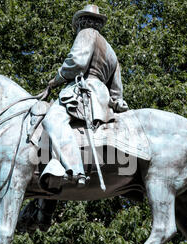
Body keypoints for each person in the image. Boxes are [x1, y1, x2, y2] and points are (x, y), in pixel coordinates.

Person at [42, 4, 128, 186]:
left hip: (84, 92)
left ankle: (74, 169)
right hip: (102, 98)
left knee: (53, 119)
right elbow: (116, 89)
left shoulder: (86, 33)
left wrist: (55, 81)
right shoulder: (110, 50)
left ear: (81, 22)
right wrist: (117, 103)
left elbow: (77, 62)